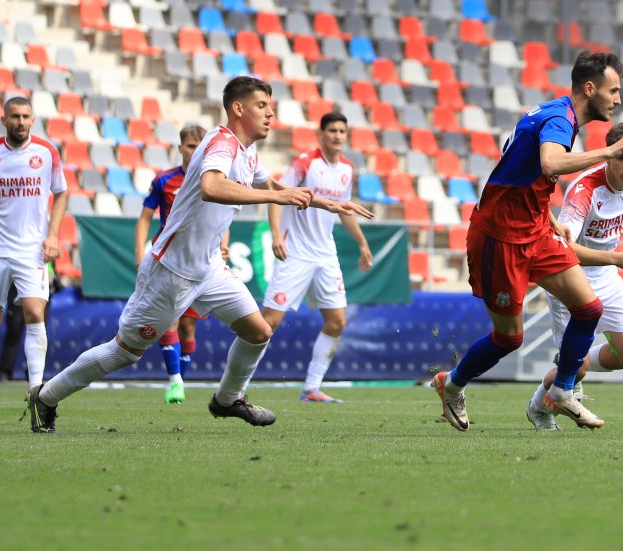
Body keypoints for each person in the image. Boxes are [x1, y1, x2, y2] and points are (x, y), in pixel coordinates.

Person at [23, 76, 374, 433]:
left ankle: (227, 400)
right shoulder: (221, 143)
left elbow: (271, 185)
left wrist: (325, 202)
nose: (271, 114)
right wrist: (276, 198)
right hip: (170, 272)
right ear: (238, 108)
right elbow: (212, 187)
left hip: (209, 268)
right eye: (262, 106)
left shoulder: (248, 151)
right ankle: (47, 396)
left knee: (259, 331)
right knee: (124, 352)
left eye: (270, 106)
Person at [430, 51, 623, 431]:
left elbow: (521, 172)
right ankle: (452, 383)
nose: (618, 99)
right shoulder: (560, 119)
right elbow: (549, 164)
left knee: (588, 309)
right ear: (590, 88)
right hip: (500, 238)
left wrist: (551, 217)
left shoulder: (557, 113)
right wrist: (609, 150)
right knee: (509, 338)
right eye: (614, 90)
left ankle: (560, 391)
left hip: (536, 230)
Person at [526, 123, 623, 430]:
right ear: (608, 157)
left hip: (606, 275)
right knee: (576, 367)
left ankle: (570, 365)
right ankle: (538, 406)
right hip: (569, 276)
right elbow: (565, 250)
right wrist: (617, 258)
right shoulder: (584, 191)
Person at [0, 96, 68, 410]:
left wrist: (52, 236)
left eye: (26, 116)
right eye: (15, 117)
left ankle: (36, 390)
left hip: (31, 250)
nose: (20, 122)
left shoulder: (46, 153)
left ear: (33, 120)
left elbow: (61, 194)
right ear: (4, 120)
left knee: (35, 313)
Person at [261, 112, 373, 403]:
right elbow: (276, 193)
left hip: (325, 254)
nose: (337, 135)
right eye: (332, 130)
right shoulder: (304, 162)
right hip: (295, 252)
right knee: (267, 324)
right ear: (320, 134)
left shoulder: (347, 169)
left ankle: (311, 388)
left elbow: (343, 210)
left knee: (337, 322)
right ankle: (236, 386)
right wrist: (275, 234)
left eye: (342, 131)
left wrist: (362, 243)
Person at [134, 125, 231, 404]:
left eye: (200, 145)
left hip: (201, 260)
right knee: (170, 322)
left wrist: (223, 241)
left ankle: (179, 380)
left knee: (189, 327)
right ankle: (175, 382)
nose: (195, 150)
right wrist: (140, 250)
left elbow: (223, 216)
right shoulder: (165, 180)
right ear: (180, 148)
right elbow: (144, 217)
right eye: (190, 146)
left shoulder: (217, 180)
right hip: (171, 260)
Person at [0, 263, 61, 381]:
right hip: (21, 276)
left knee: (39, 329)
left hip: (43, 279)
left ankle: (34, 375)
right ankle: (5, 371)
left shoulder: (48, 244)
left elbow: (57, 254)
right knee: (14, 329)